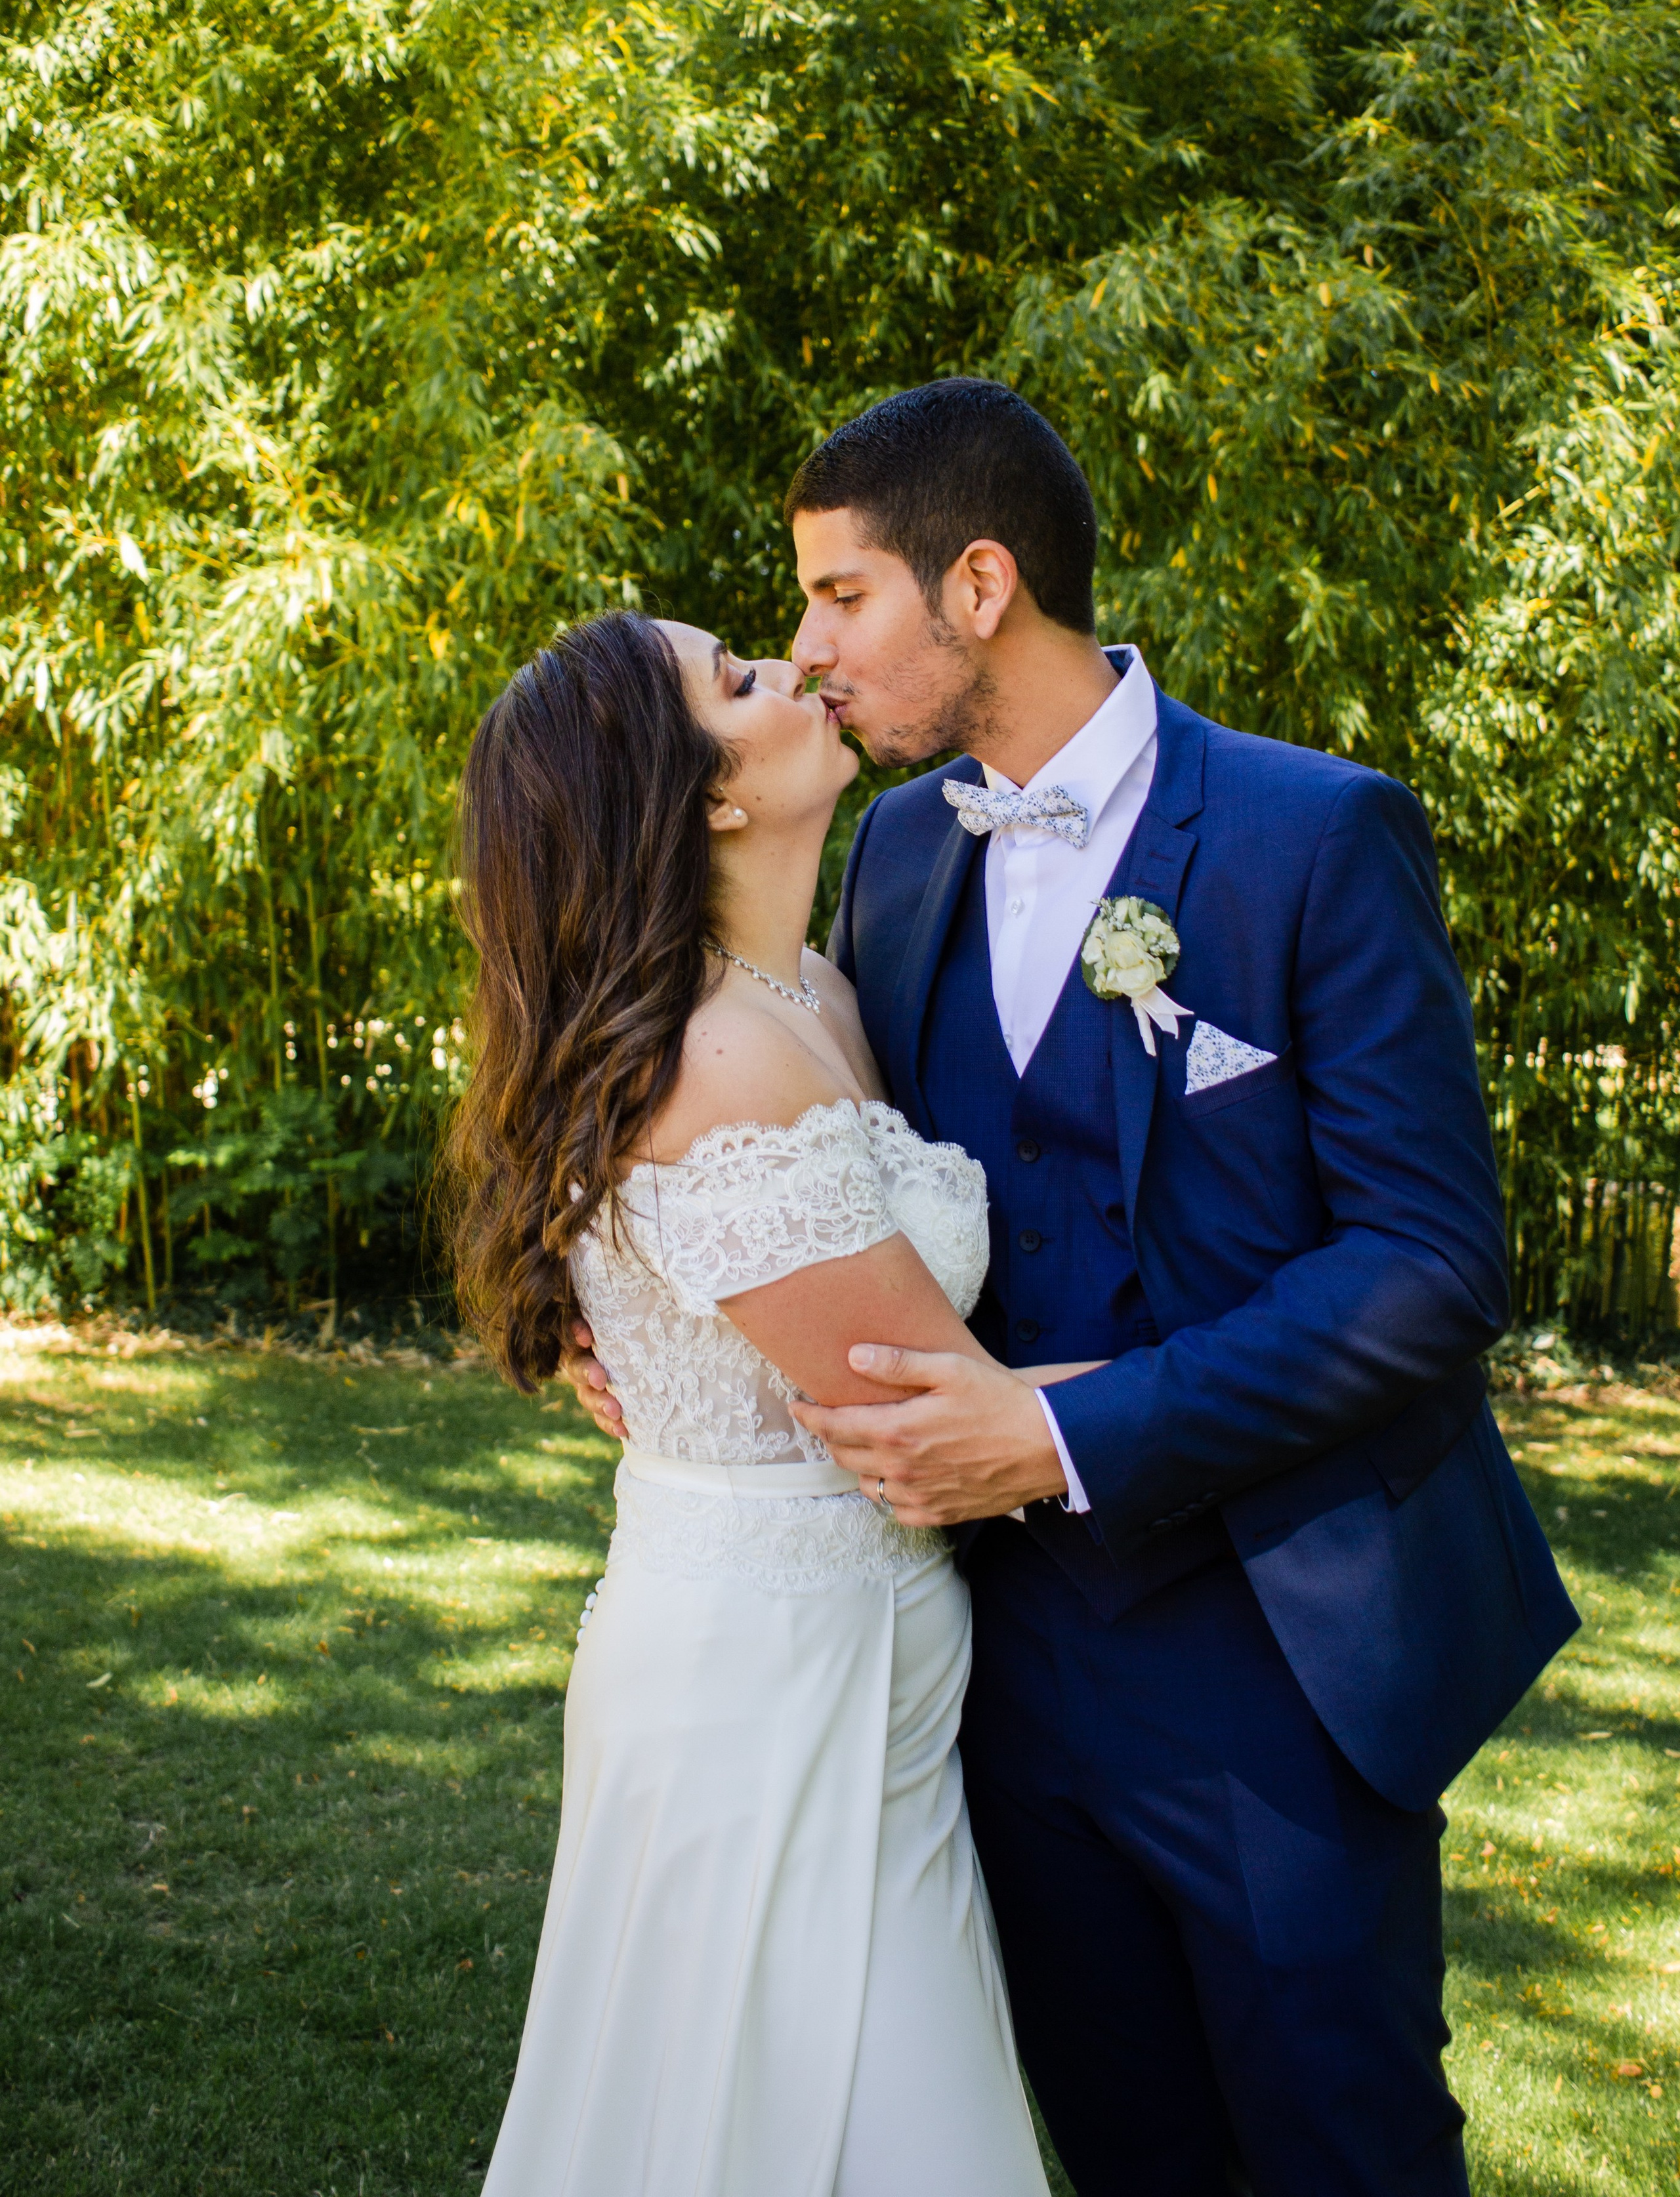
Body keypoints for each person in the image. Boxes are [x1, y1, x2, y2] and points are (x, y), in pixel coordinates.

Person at [568, 379, 1579, 2197]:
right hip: (998, 1684)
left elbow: (1434, 1264)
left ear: (977, 586)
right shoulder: (892, 860)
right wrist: (630, 1301)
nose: (808, 654)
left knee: (1344, 2151)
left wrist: (1064, 1432)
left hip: (1276, 1657)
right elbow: (753, 1130)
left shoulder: (1313, 836)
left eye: (838, 599)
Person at [446, 609, 1052, 2197]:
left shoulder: (822, 995)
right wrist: (1303, 1361)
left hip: (879, 1668)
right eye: (740, 679)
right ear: (704, 795)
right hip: (762, 1689)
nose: (794, 669)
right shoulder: (716, 1062)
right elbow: (936, 1417)